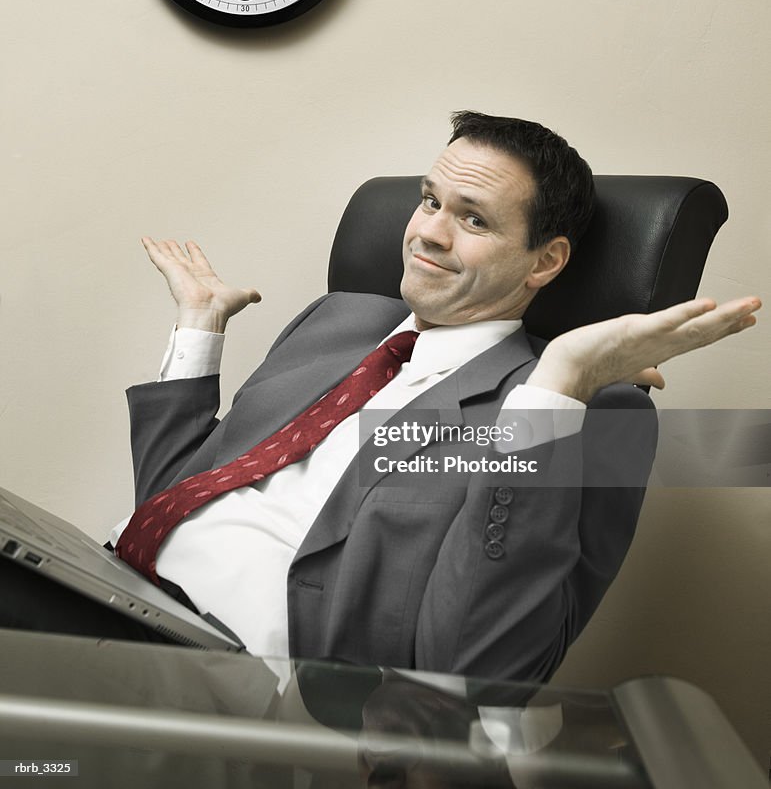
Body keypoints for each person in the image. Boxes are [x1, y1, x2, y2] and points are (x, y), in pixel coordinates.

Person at [1, 113, 761, 683]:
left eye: (471, 219)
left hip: (239, 681)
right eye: (430, 200)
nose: (428, 233)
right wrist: (198, 330)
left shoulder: (592, 416)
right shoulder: (342, 321)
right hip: (107, 586)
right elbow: (176, 496)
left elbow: (484, 667)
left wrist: (558, 381)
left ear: (546, 260)